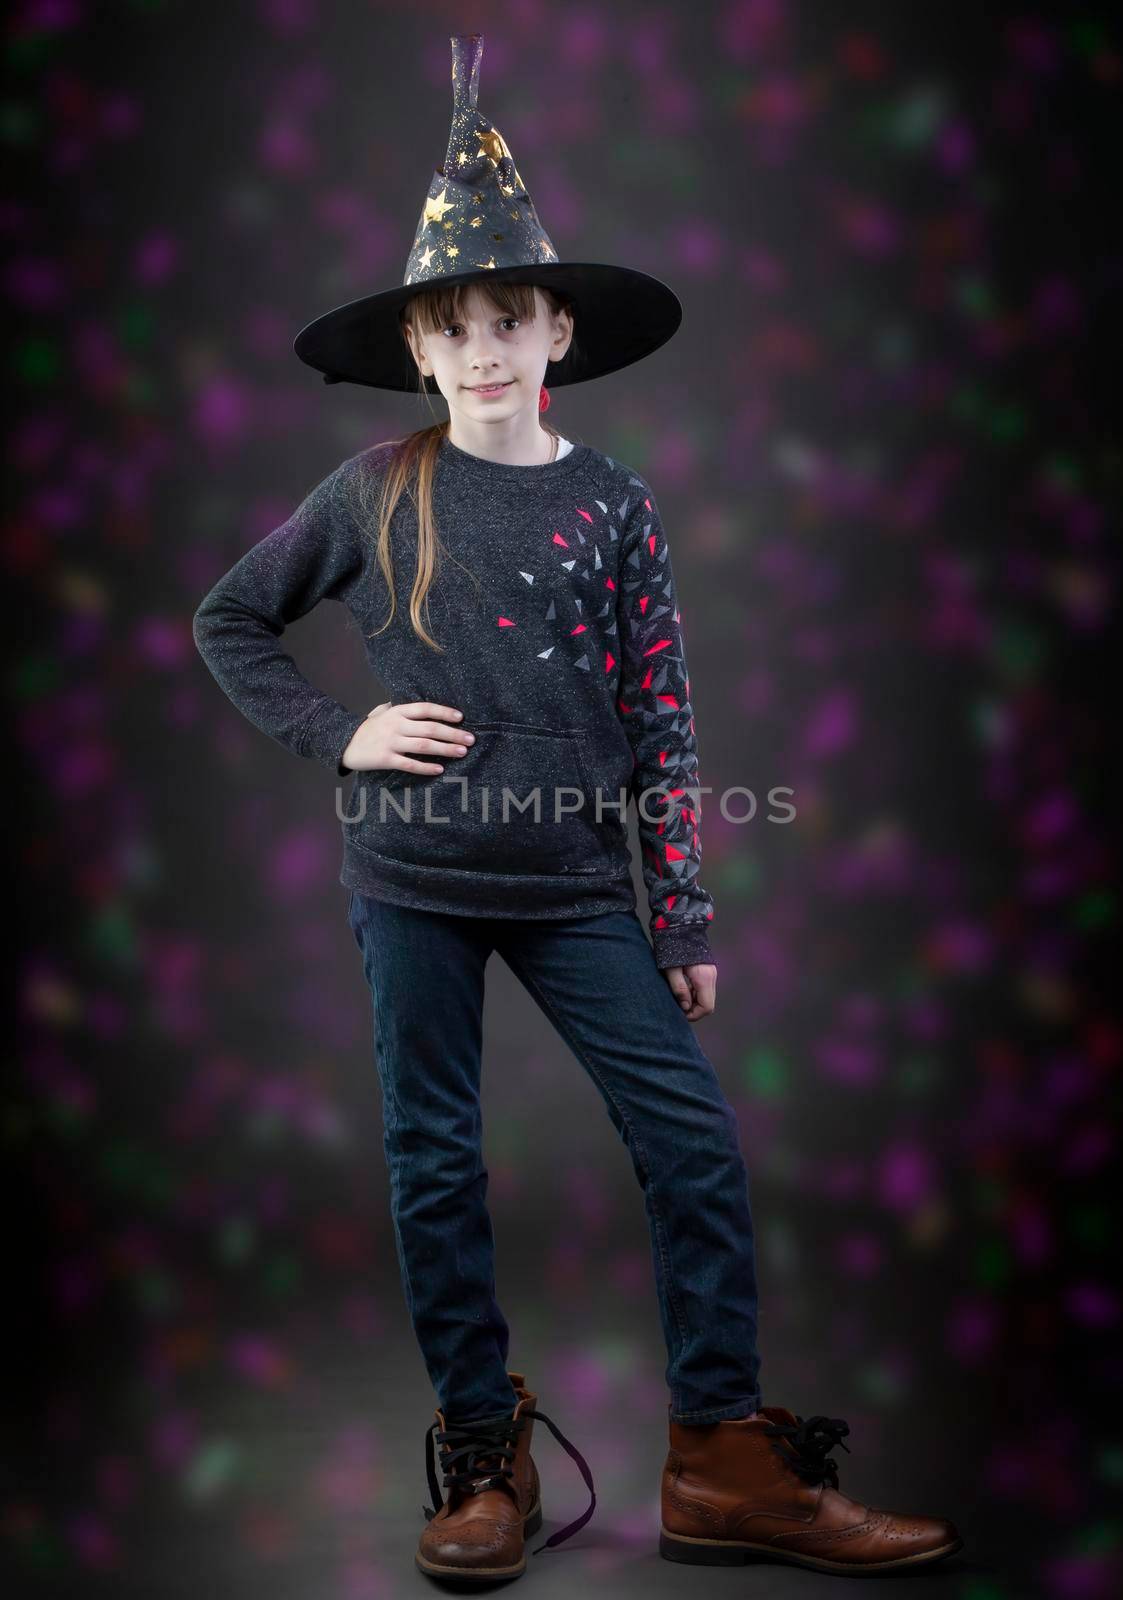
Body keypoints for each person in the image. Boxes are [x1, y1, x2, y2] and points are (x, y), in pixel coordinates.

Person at [192, 31, 962, 1586]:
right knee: (434, 1157)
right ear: (419, 350)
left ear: (558, 334)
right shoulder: (370, 493)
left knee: (691, 1140)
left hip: (575, 889)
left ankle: (723, 1456)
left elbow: (665, 717)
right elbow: (228, 620)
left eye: (509, 322)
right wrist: (342, 735)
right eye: (454, 331)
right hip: (411, 881)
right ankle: (484, 1455)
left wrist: (675, 906)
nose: (484, 351)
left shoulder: (612, 501)